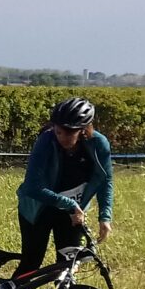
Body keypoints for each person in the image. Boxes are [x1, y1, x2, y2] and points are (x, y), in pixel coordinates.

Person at [15, 97, 113, 273]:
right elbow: (31, 185)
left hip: (72, 213)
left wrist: (105, 217)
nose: (62, 138)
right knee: (31, 263)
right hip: (39, 209)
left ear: (83, 130)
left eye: (69, 133)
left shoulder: (99, 144)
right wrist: (70, 203)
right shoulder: (46, 140)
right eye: (59, 132)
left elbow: (105, 180)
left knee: (67, 266)